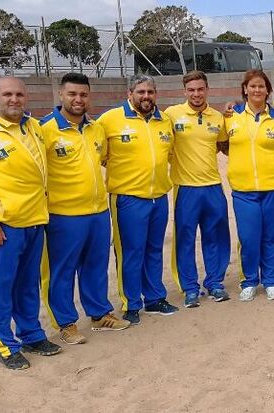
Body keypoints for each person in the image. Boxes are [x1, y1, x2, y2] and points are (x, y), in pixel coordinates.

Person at [0, 76, 61, 369]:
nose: (13, 99)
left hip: (35, 220)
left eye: (19, 94)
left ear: (26, 97)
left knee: (28, 284)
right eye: (7, 94)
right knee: (1, 287)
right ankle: (3, 342)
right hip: (3, 226)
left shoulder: (33, 127)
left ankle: (31, 333)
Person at [40, 73, 130, 345]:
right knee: (63, 270)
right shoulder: (43, 129)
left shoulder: (96, 128)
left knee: (95, 266)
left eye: (83, 95)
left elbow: (103, 159)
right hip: (63, 215)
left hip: (98, 212)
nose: (78, 100)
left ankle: (99, 313)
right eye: (72, 94)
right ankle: (66, 323)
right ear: (61, 95)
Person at [96, 74, 178, 324]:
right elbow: (97, 154)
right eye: (140, 92)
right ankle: (130, 303)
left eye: (150, 92)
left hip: (158, 197)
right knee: (131, 252)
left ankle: (154, 298)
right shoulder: (110, 120)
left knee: (154, 250)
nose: (146, 97)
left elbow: (170, 153)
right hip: (128, 199)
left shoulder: (164, 120)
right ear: (129, 93)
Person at [164, 71, 231, 308]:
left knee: (216, 237)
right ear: (184, 91)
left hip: (213, 186)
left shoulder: (218, 118)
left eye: (200, 89)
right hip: (186, 188)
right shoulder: (172, 115)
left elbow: (224, 145)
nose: (196, 94)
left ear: (207, 90)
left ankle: (215, 283)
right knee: (185, 239)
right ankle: (190, 288)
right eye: (191, 90)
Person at [224, 70, 274, 302]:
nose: (256, 90)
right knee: (249, 236)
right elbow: (218, 143)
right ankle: (250, 280)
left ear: (267, 90)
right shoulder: (230, 116)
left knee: (273, 235)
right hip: (243, 190)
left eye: (261, 87)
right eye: (252, 86)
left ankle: (271, 280)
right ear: (245, 89)